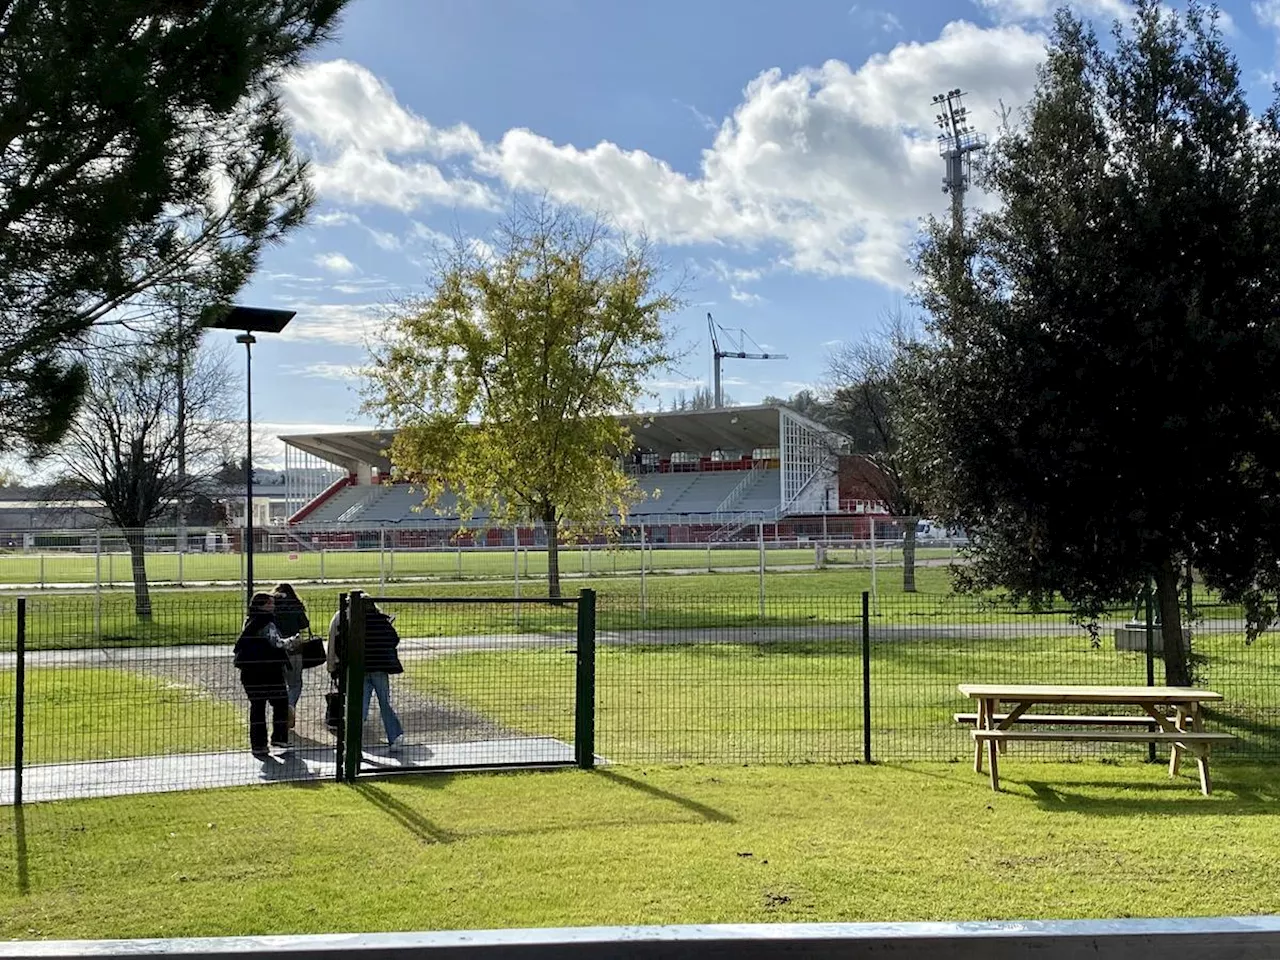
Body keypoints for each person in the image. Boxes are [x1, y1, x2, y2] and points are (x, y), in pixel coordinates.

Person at [233, 592, 302, 758]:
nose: (273, 606)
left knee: (257, 707)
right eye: (270, 603)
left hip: (249, 671)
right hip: (269, 672)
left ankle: (258, 745)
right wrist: (293, 640)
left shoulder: (249, 622)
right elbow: (277, 643)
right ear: (261, 606)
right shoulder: (267, 623)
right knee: (280, 703)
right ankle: (279, 737)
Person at [363, 602, 405, 747]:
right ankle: (394, 736)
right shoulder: (381, 622)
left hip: (361, 668)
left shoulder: (355, 623)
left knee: (361, 706)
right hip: (380, 667)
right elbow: (394, 640)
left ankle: (354, 740)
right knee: (384, 703)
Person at [272, 582, 311, 725]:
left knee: (279, 683)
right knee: (295, 684)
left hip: (275, 651)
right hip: (294, 649)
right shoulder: (295, 604)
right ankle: (290, 706)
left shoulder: (272, 605)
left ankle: (280, 712)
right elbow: (304, 624)